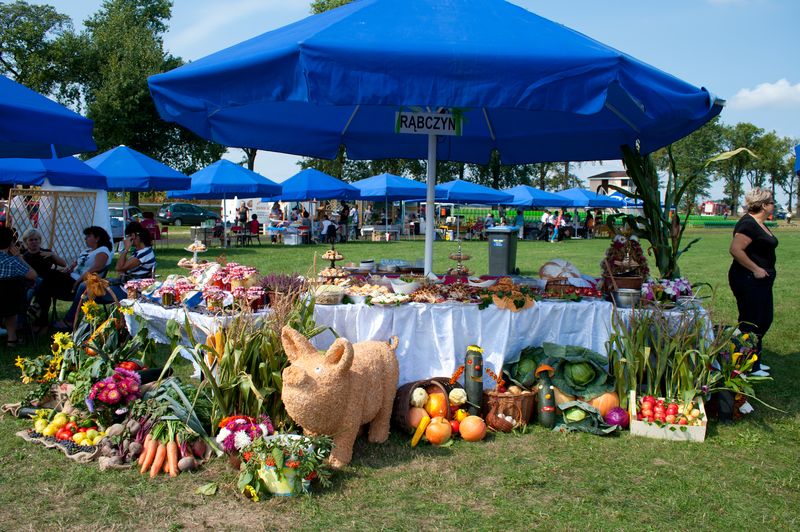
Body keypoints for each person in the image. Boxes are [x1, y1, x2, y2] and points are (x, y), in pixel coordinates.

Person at [58, 223, 155, 329]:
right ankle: (86, 322)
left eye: (127, 236)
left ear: (133, 236)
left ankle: (73, 321)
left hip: (130, 292)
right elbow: (121, 270)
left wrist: (125, 250)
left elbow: (119, 267)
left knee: (85, 287)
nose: (126, 239)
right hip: (124, 285)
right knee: (87, 286)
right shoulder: (140, 252)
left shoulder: (144, 254)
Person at [728, 188, 778, 375]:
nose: (774, 204)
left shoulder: (759, 223)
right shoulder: (748, 224)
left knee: (764, 319)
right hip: (748, 279)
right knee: (752, 321)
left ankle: (754, 359)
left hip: (762, 281)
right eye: (772, 202)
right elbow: (735, 249)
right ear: (764, 205)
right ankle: (747, 364)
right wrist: (756, 269)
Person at [0, 226, 37, 346]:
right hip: (12, 304)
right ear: (11, 243)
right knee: (10, 309)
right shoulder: (13, 261)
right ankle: (12, 338)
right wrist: (19, 257)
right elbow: (33, 275)